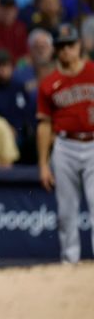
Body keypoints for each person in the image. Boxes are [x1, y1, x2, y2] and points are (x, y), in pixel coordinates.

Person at [37, 24, 94, 263]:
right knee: (66, 212)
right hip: (64, 146)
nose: (66, 50)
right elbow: (44, 124)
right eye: (61, 46)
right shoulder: (49, 83)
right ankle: (69, 262)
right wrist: (43, 164)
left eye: (70, 45)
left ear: (79, 46)